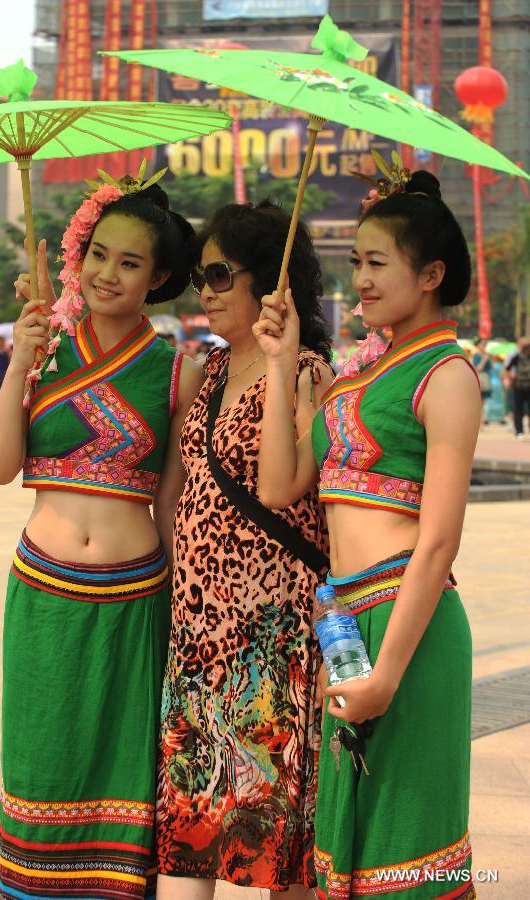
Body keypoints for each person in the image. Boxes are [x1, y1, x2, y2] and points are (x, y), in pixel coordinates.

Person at [254, 170, 480, 898]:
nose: (361, 278)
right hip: (347, 621)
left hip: (407, 625)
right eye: (356, 262)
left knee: (404, 849)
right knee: (349, 846)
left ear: (432, 274)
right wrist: (281, 360)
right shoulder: (357, 378)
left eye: (377, 262)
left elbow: (439, 541)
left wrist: (385, 672)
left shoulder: (446, 375)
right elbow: (278, 486)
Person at [0, 173, 204, 900]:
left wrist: (190, 613)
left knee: (125, 777)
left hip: (136, 599)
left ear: (161, 277)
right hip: (45, 592)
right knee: (42, 766)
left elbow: (173, 500)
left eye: (130, 262)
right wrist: (19, 358)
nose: (108, 273)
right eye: (98, 255)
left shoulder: (178, 371)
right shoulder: (44, 349)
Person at [156, 200, 334, 900]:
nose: (206, 289)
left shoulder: (310, 375)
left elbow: (281, 493)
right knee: (188, 826)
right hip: (198, 636)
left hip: (274, 640)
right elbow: (174, 490)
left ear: (272, 282)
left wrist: (284, 362)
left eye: (222, 273)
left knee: (276, 834)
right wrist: (189, 584)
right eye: (202, 274)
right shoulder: (206, 372)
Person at [504, 336, 530, 438]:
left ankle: (519, 431)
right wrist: (510, 379)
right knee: (518, 408)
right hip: (518, 386)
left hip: (519, 385)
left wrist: (510, 379)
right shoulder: (516, 356)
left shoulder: (516, 356)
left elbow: (507, 369)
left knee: (518, 408)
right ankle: (519, 430)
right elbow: (507, 369)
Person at [471, 335, 493, 425]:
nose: (484, 346)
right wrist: (484, 360)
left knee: (483, 402)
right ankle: (478, 422)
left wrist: (489, 358)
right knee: (479, 403)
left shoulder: (487, 354)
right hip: (479, 379)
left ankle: (481, 422)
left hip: (486, 379)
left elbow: (492, 367)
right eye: (482, 344)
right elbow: (477, 368)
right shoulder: (476, 355)